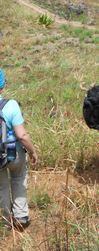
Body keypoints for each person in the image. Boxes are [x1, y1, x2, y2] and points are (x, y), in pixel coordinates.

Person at [0, 68, 38, 230]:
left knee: (1, 186)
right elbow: (22, 136)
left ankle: (6, 222)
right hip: (14, 154)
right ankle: (21, 217)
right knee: (19, 178)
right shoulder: (11, 105)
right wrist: (32, 151)